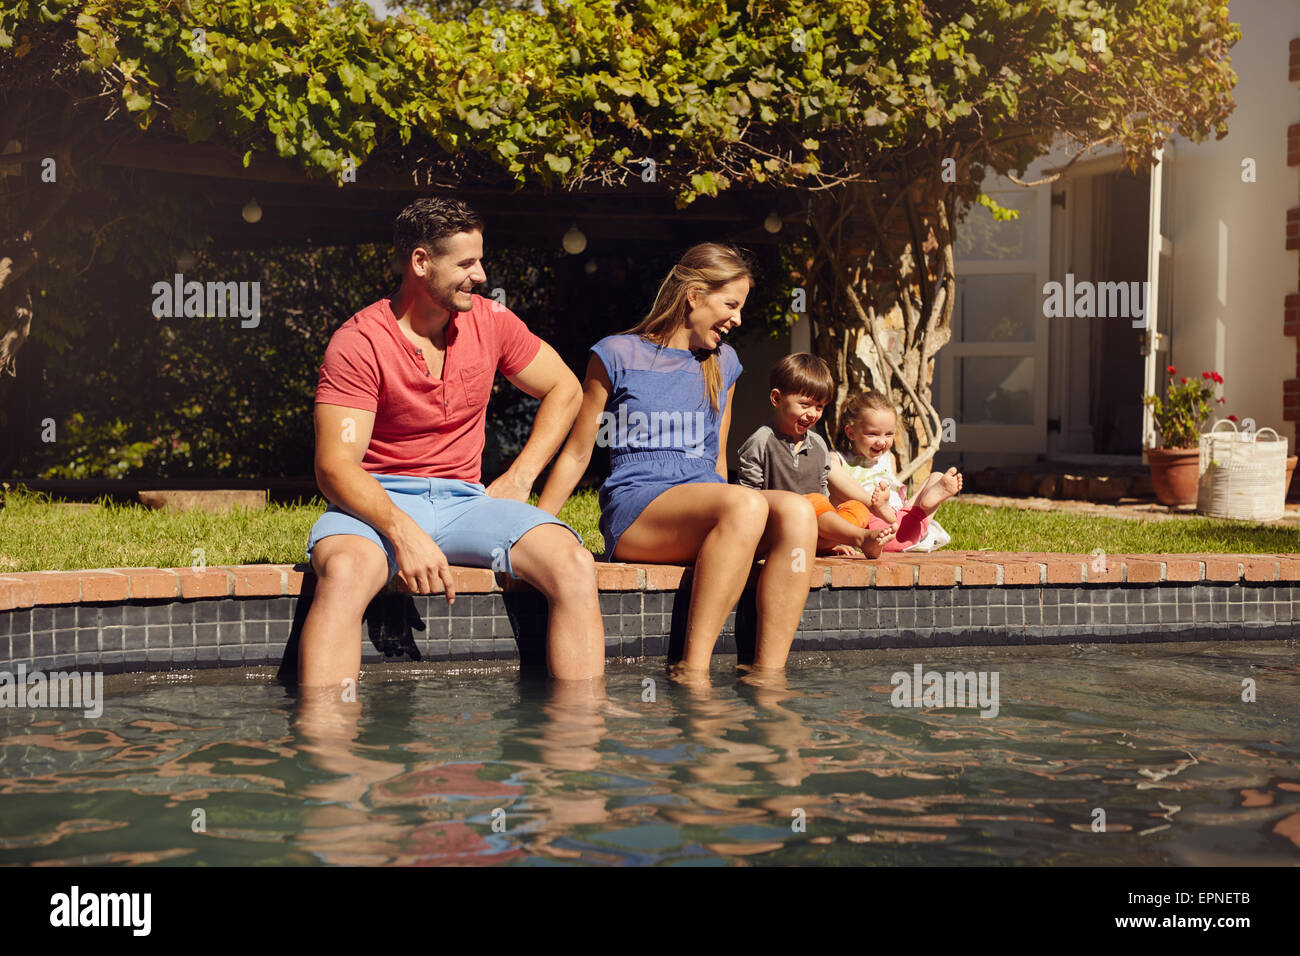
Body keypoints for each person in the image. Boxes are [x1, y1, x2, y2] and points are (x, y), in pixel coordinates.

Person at [299, 197, 605, 689]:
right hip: (376, 502)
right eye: (466, 263)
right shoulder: (359, 343)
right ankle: (328, 749)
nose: (480, 275)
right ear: (421, 262)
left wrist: (521, 476)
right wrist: (402, 531)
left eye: (480, 260)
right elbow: (335, 466)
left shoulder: (491, 322)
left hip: (467, 502)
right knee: (348, 572)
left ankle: (573, 740)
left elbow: (564, 389)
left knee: (572, 562)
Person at [537, 243, 818, 680]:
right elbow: (577, 451)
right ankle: (693, 668)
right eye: (731, 304)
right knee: (744, 504)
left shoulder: (725, 364)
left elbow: (718, 461)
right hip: (638, 509)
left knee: (799, 512)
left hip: (708, 509)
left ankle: (768, 674)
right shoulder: (615, 354)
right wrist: (534, 528)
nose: (738, 319)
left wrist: (738, 530)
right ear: (693, 296)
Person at [735, 353, 896, 557]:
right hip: (777, 526)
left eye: (819, 407)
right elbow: (747, 496)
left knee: (857, 508)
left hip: (813, 526)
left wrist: (831, 532)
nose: (813, 413)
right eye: (805, 404)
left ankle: (826, 543)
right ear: (777, 398)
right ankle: (860, 538)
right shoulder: (760, 441)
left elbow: (823, 493)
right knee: (808, 503)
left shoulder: (818, 444)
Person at [834, 389, 960, 552]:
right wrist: (875, 505)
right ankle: (875, 506)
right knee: (829, 469)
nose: (881, 441)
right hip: (869, 531)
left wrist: (891, 511)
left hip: (902, 527)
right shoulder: (839, 459)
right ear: (851, 432)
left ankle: (925, 506)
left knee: (936, 476)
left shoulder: (888, 459)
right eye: (872, 434)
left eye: (889, 434)